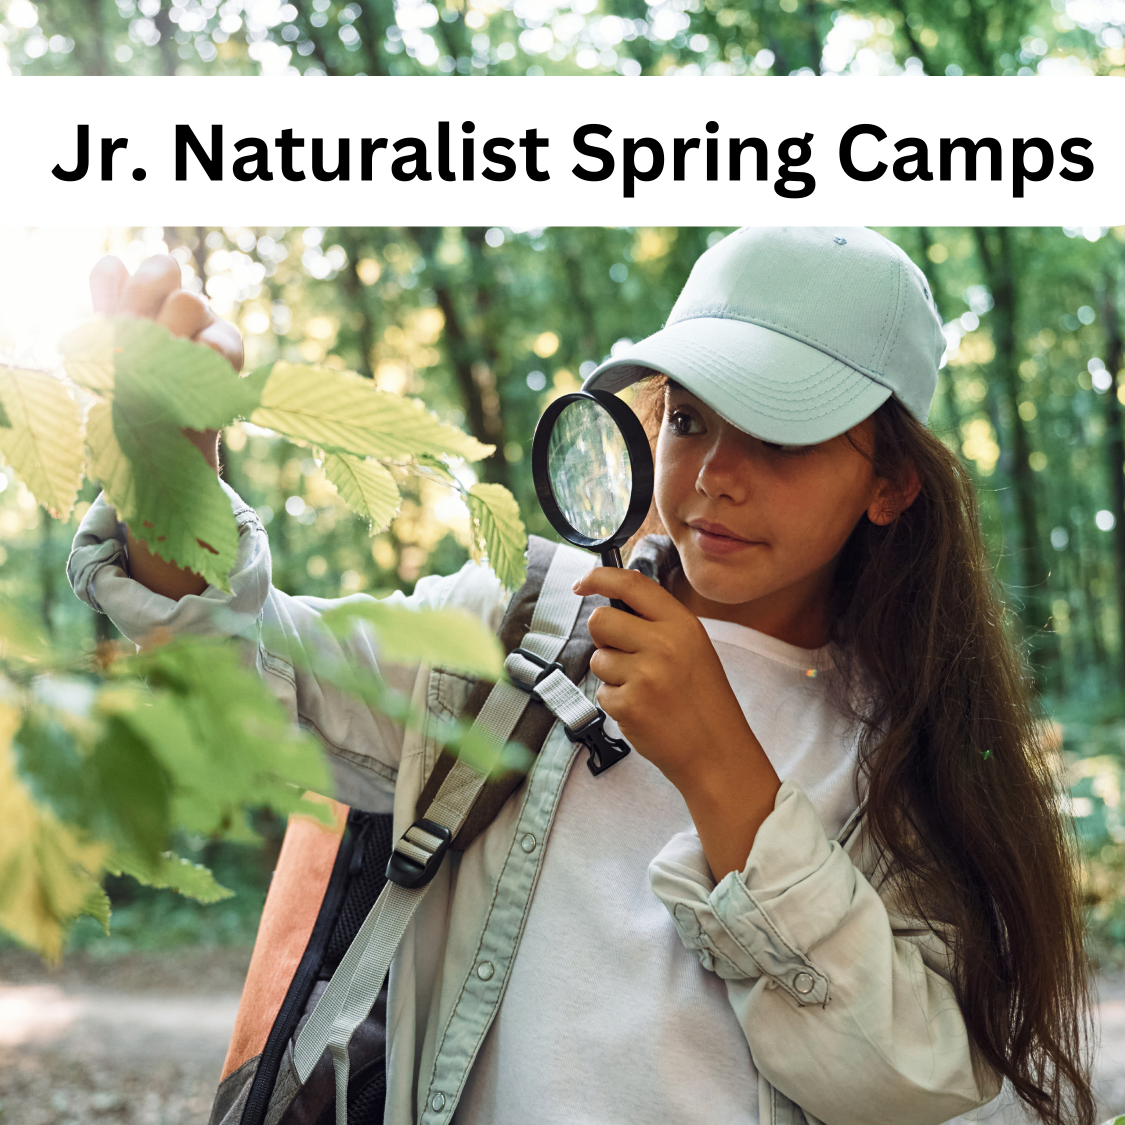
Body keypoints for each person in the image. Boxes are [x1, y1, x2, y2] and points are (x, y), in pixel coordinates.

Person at [67, 227, 1096, 1125]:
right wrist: (172, 494)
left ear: (892, 483)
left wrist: (725, 777)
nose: (715, 474)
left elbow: (921, 1089)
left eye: (781, 431)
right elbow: (258, 681)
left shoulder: (915, 745)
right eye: (690, 419)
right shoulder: (525, 628)